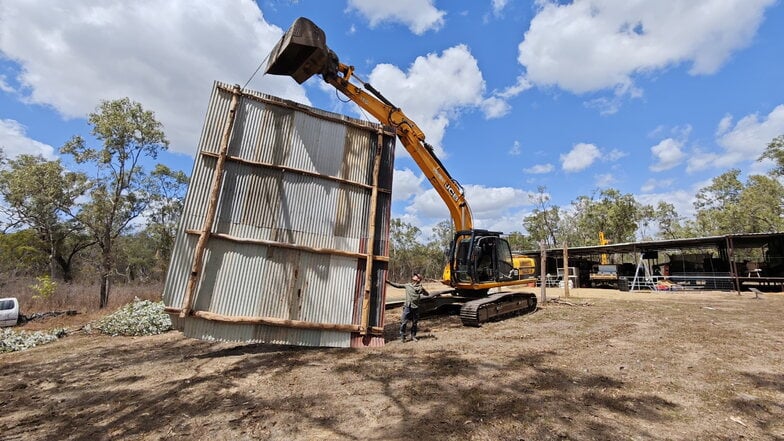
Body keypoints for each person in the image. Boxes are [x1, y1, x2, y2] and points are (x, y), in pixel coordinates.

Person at [386, 273, 429, 342]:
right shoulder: (408, 285)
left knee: (414, 323)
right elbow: (398, 285)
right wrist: (389, 282)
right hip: (407, 307)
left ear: (418, 279)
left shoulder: (420, 288)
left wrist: (423, 290)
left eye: (416, 276)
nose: (414, 276)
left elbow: (427, 294)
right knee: (403, 322)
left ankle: (413, 336)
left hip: (415, 307)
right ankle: (402, 336)